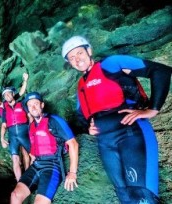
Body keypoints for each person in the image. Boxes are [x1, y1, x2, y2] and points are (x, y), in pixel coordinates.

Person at [62, 35, 172, 203]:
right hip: (105, 142)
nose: (77, 60)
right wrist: (87, 127)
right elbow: (81, 114)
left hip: (130, 132)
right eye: (72, 58)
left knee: (143, 195)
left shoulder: (111, 64)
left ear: (89, 51)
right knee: (124, 196)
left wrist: (152, 109)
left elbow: (160, 71)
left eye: (79, 53)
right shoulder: (81, 85)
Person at [10, 92, 79, 204]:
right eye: (30, 105)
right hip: (37, 165)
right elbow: (33, 149)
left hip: (52, 166)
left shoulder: (54, 120)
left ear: (42, 105)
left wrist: (72, 173)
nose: (33, 107)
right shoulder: (32, 126)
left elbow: (73, 144)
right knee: (15, 195)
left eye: (36, 104)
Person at [0, 86, 31, 181]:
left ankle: (31, 177)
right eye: (5, 95)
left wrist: (31, 129)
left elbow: (30, 116)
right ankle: (19, 182)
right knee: (15, 159)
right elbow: (4, 125)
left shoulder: (21, 104)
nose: (7, 95)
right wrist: (2, 138)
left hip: (24, 131)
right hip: (12, 135)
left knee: (32, 154)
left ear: (13, 94)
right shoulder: (5, 110)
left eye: (9, 93)